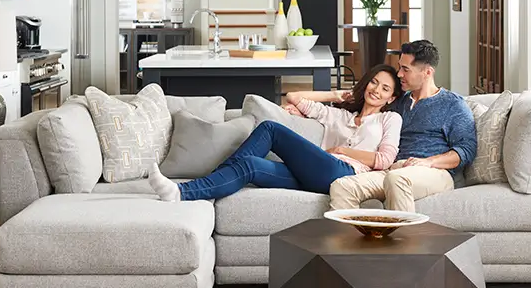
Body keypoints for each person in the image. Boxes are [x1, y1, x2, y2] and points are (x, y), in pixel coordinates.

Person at [147, 64, 404, 202]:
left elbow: (384, 161)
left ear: (391, 97)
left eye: (384, 89)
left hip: (344, 174)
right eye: (373, 82)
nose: (376, 90)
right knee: (249, 166)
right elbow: (293, 96)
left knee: (271, 128)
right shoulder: (339, 114)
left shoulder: (390, 118)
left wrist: (342, 151)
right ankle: (181, 192)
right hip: (317, 176)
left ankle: (211, 180)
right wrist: (334, 95)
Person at [329, 40, 477, 212]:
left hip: (434, 173)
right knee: (342, 186)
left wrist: (429, 162)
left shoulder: (452, 104)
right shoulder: (399, 101)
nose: (399, 74)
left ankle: (404, 239)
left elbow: (467, 149)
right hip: (393, 170)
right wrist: (298, 107)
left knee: (396, 179)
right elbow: (362, 106)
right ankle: (346, 239)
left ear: (427, 72)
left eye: (405, 69)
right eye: (399, 67)